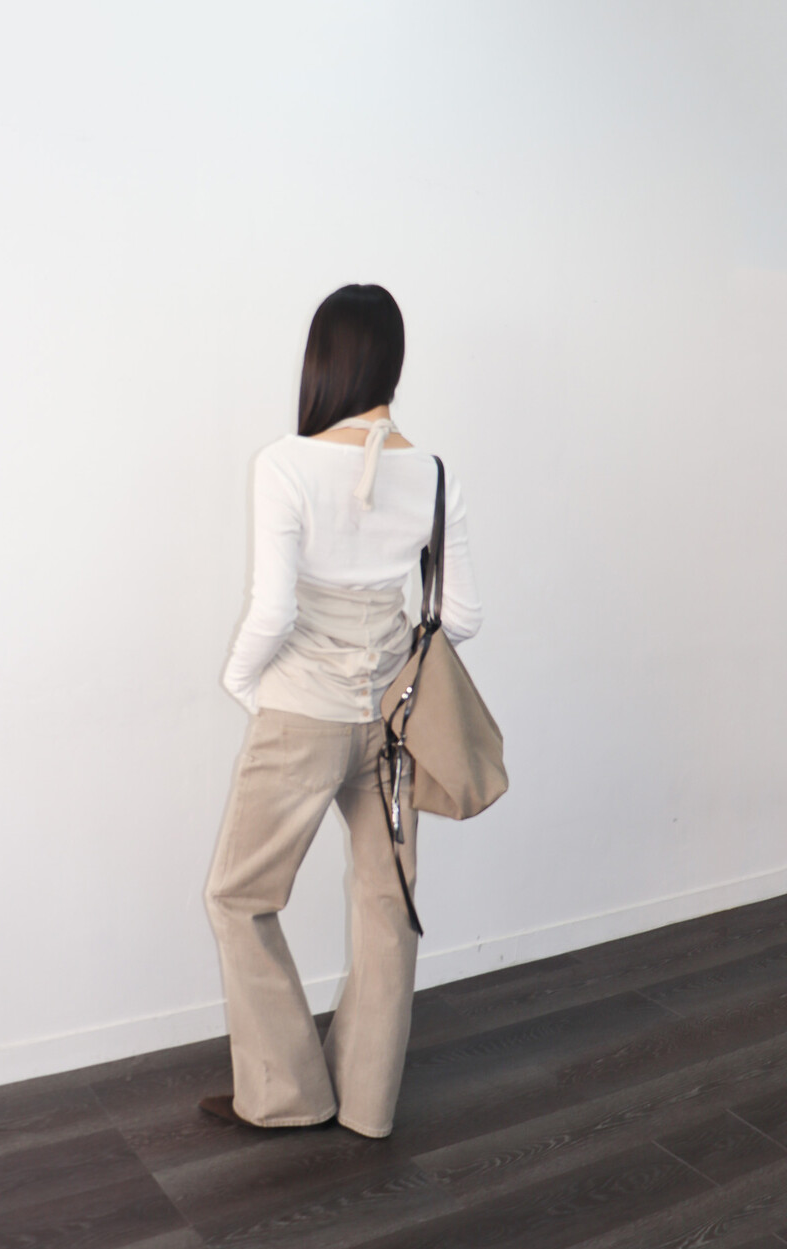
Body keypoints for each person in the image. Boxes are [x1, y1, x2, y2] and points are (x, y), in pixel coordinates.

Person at [201, 283, 483, 1139]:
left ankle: (287, 1094)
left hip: (300, 715)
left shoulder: (285, 464)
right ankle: (366, 1105)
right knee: (388, 906)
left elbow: (273, 612)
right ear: (392, 363)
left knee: (239, 896)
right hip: (395, 722)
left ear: (323, 361)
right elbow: (462, 616)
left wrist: (245, 686)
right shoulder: (433, 474)